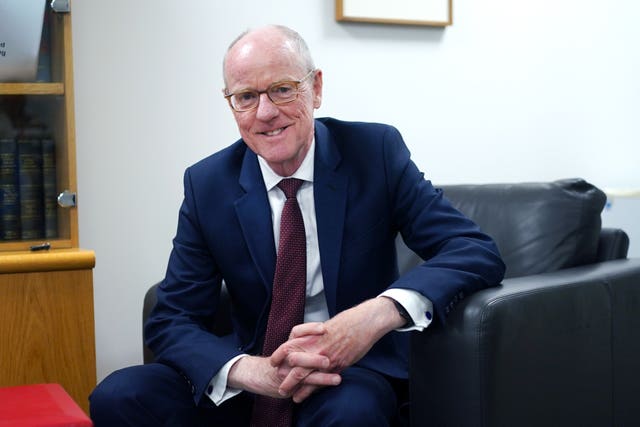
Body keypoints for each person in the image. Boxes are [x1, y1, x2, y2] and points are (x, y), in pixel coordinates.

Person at [90, 25, 505, 426]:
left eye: (283, 89)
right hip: (253, 374)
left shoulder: (373, 153)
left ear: (316, 88)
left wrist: (374, 317)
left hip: (350, 374)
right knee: (120, 396)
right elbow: (172, 318)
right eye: (246, 96)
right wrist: (249, 372)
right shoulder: (207, 184)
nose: (266, 113)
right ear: (230, 102)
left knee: (352, 413)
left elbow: (472, 249)